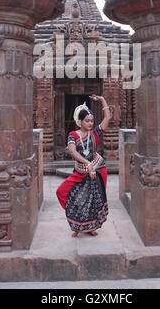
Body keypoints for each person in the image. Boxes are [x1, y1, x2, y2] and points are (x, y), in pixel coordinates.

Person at [56, 95, 111, 237]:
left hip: (97, 170)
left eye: (92, 121)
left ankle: (91, 227)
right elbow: (73, 151)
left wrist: (103, 100)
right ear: (80, 121)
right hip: (80, 172)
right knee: (67, 194)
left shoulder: (95, 133)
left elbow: (107, 119)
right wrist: (87, 164)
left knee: (93, 200)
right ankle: (77, 226)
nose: (91, 123)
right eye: (87, 121)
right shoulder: (73, 135)